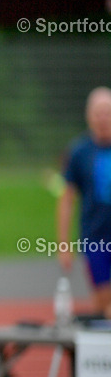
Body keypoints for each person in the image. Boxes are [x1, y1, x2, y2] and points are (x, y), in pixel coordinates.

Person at [58, 87, 111, 317]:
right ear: (89, 116)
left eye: (107, 112)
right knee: (103, 301)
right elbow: (67, 198)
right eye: (98, 113)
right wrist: (63, 243)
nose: (103, 118)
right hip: (95, 236)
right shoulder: (79, 152)